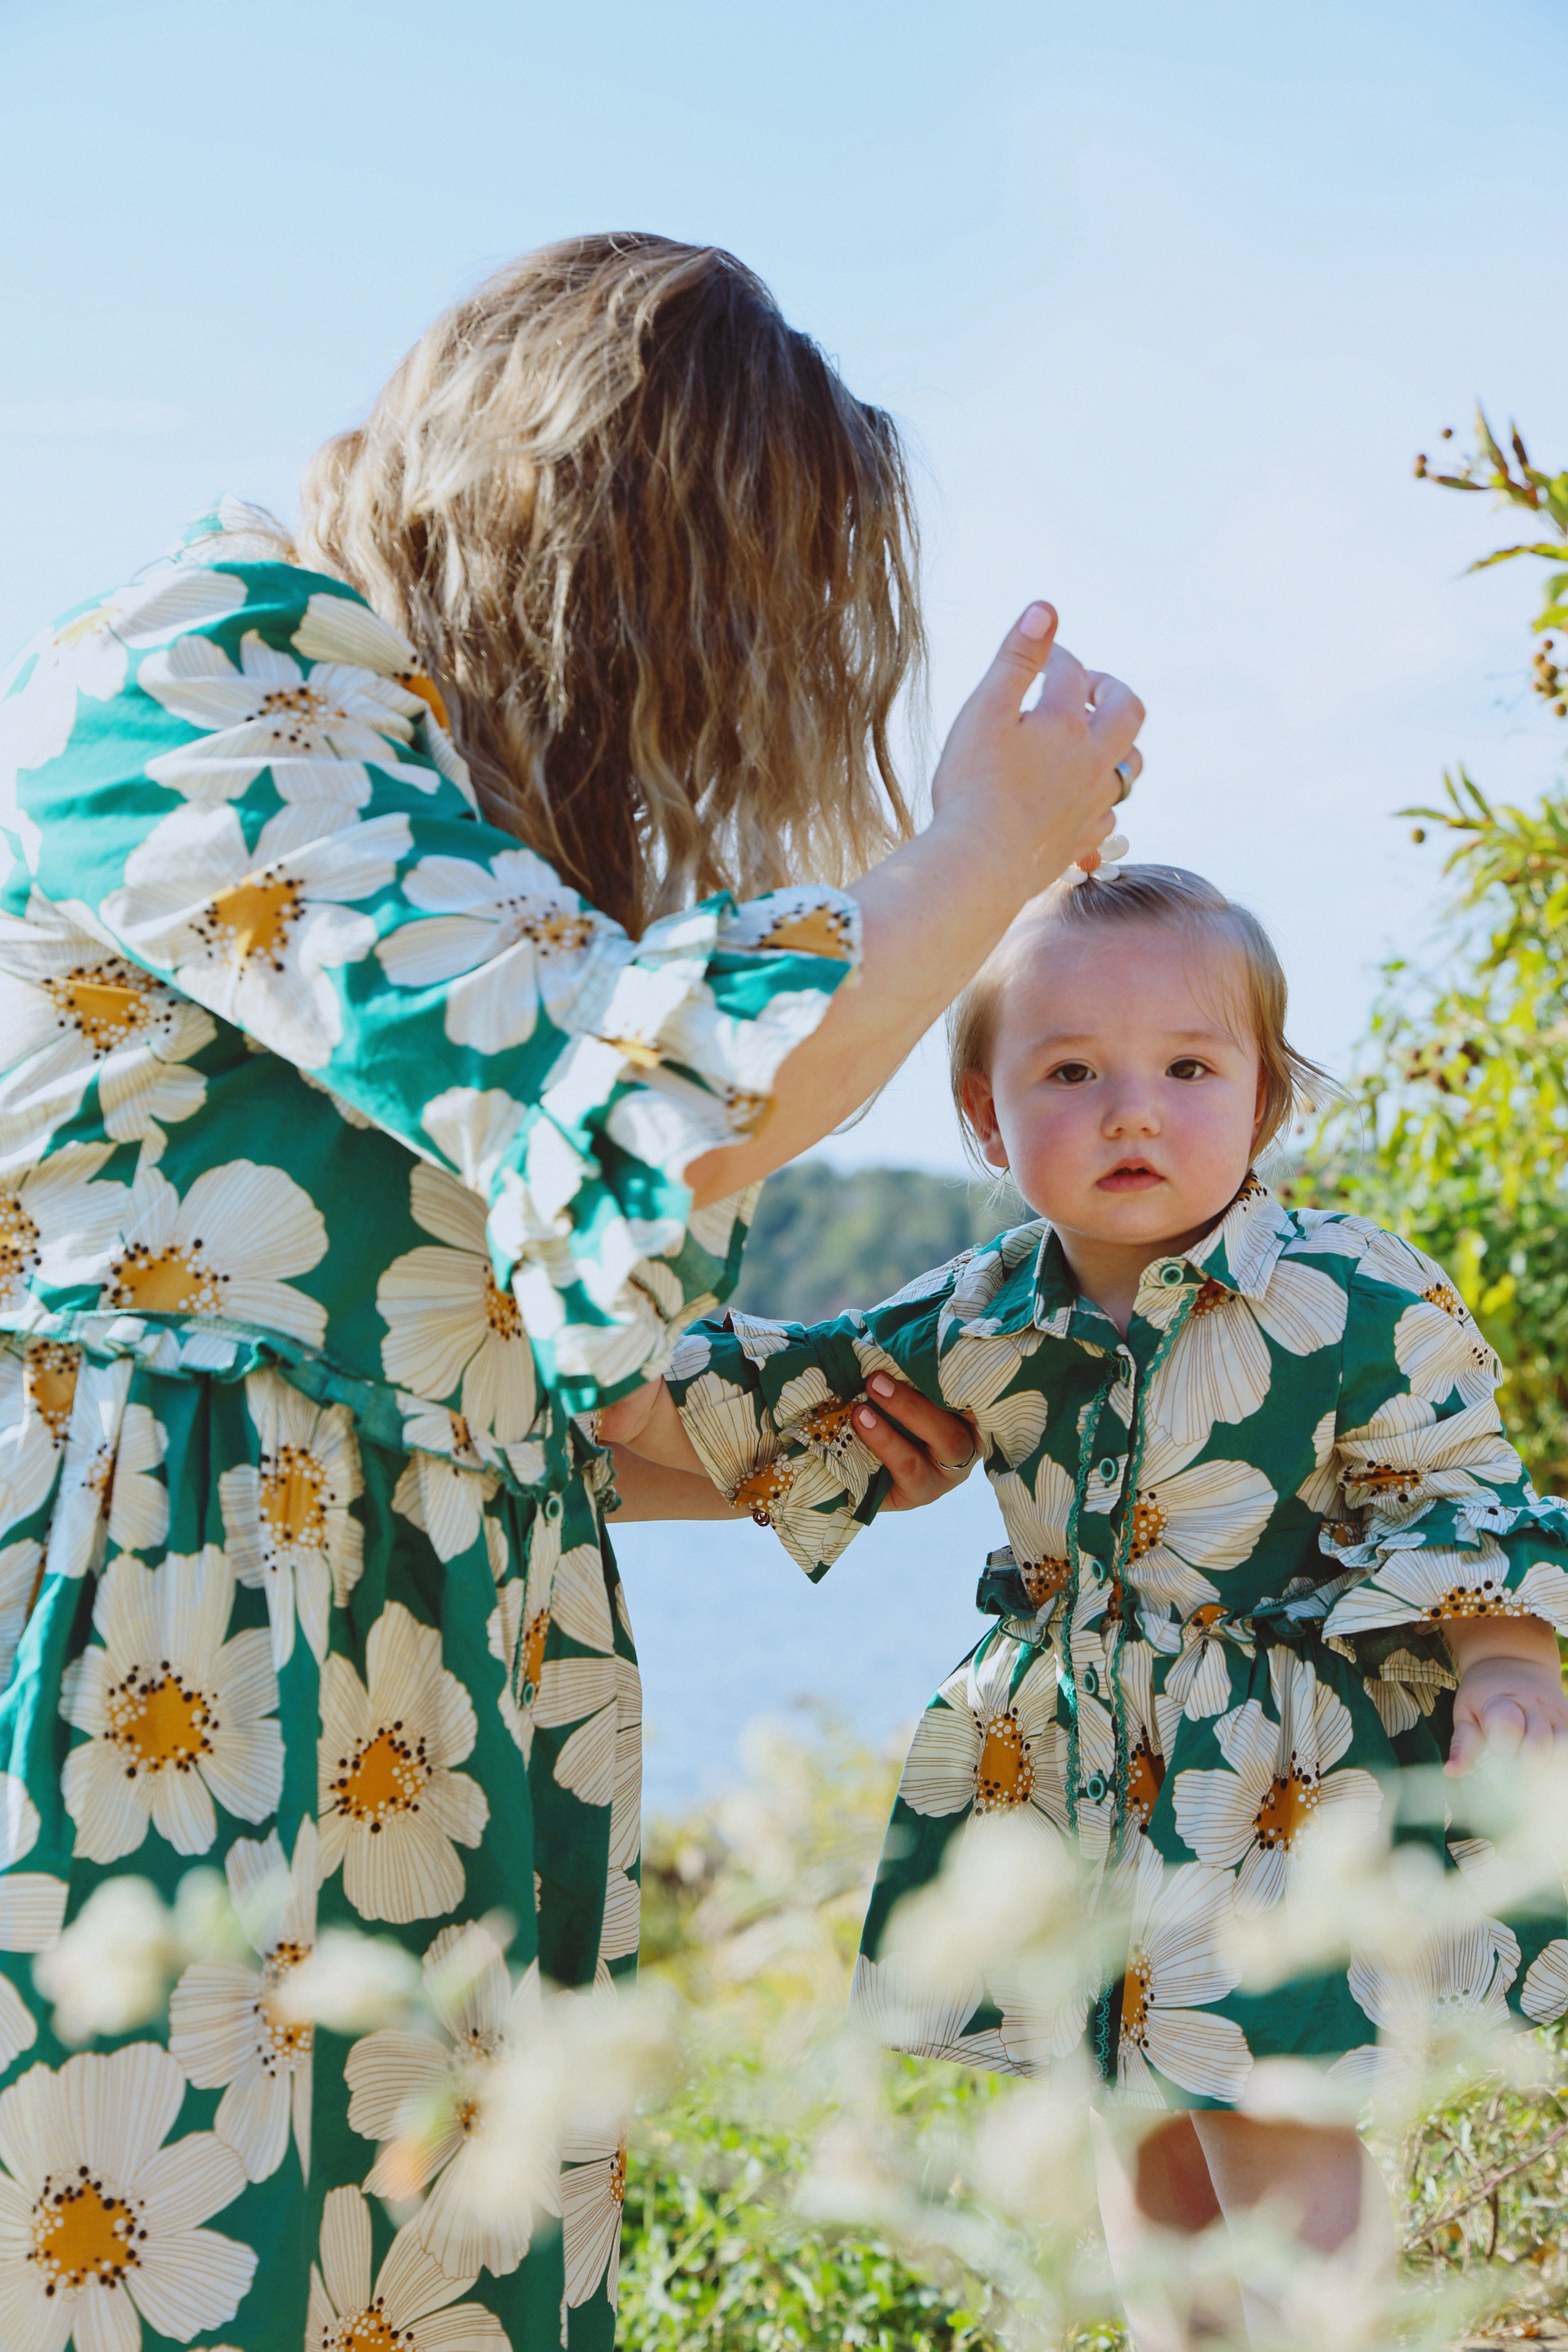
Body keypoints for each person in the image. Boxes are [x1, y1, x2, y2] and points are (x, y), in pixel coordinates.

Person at [0, 234, 1142, 2350]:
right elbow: (621, 1086)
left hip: (409, 1714)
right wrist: (980, 849)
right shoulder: (199, 662)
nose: (686, 714)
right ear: (566, 526)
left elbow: (489, 1353)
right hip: (164, 1690)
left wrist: (824, 1441)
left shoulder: (430, 798)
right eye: (694, 620)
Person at [610, 862, 1568, 2350]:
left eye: (1188, 1067)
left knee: (1269, 2122)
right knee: (1133, 2126)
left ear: (1262, 1103)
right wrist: (570, 1395)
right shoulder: (982, 1312)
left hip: (1279, 1790)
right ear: (987, 1120)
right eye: (1071, 1072)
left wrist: (1506, 1657)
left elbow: (1453, 1489)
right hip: (1080, 1775)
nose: (1133, 1108)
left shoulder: (1348, 1294)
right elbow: (783, 1396)